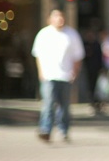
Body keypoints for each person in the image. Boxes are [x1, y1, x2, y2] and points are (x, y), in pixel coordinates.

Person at [31, 9, 85, 142]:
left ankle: (63, 130)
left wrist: (75, 72)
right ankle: (45, 129)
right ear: (50, 19)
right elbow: (38, 55)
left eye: (61, 17)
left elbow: (78, 56)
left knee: (64, 105)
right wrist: (41, 72)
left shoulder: (71, 34)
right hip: (49, 75)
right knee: (48, 103)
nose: (59, 19)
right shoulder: (44, 34)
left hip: (65, 75)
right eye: (56, 17)